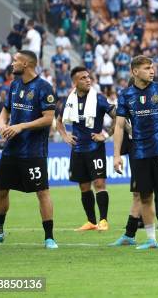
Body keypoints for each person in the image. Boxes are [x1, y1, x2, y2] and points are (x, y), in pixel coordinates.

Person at [0, 50, 58, 249]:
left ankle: (49, 237)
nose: (12, 64)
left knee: (42, 192)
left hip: (34, 151)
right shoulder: (14, 84)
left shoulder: (44, 87)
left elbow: (48, 118)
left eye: (15, 61)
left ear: (26, 64)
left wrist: (21, 126)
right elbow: (6, 110)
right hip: (11, 150)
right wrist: (3, 123)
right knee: (1, 190)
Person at [111, 56, 158, 250]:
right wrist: (116, 155)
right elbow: (119, 126)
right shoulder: (125, 94)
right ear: (135, 72)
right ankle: (151, 239)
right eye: (147, 68)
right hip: (139, 153)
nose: (152, 71)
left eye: (152, 67)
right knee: (145, 196)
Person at [56, 66, 117, 232]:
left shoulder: (98, 98)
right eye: (83, 78)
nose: (88, 80)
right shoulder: (69, 101)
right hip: (78, 150)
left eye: (89, 77)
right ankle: (91, 221)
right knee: (84, 187)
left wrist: (105, 134)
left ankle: (103, 220)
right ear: (75, 82)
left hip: (95, 147)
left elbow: (118, 116)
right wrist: (65, 136)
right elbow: (59, 121)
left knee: (99, 183)